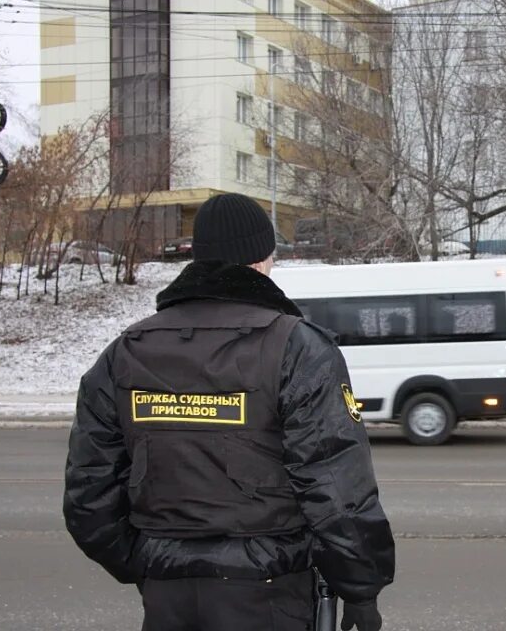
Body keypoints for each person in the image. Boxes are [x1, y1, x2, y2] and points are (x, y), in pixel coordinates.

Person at [63, 193, 395, 631]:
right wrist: (360, 586)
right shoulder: (297, 348)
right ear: (260, 260)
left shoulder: (126, 351)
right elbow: (335, 486)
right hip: (271, 594)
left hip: (167, 596)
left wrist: (149, 562)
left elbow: (88, 494)